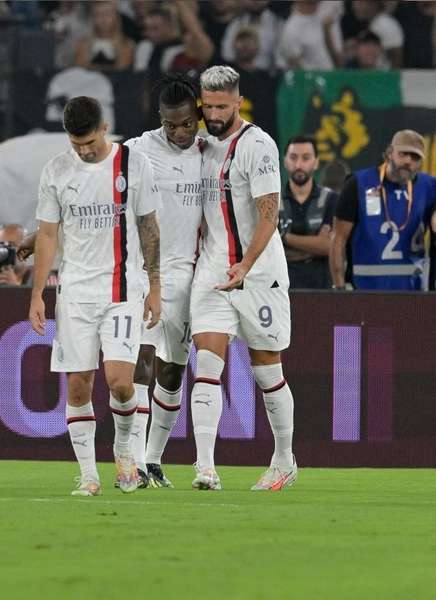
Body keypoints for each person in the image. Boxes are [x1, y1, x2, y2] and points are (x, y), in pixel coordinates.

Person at [29, 96, 162, 496]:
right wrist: (37, 292)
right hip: (75, 294)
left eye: (89, 142)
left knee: (121, 382)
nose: (84, 151)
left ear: (104, 128)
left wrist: (155, 286)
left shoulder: (134, 165)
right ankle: (88, 475)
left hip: (122, 290)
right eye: (76, 144)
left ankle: (124, 447)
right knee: (78, 388)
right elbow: (48, 235)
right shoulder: (56, 171)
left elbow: (149, 228)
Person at [192, 65, 296, 492]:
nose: (214, 113)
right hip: (214, 272)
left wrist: (246, 265)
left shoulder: (259, 146)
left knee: (267, 371)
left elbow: (269, 214)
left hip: (258, 275)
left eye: (222, 105)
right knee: (206, 364)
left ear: (238, 101)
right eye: (208, 105)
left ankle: (284, 460)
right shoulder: (199, 148)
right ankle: (205, 467)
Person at [124, 74, 204, 488]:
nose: (179, 131)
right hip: (144, 273)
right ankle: (134, 462)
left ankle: (153, 459)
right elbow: (99, 182)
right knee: (142, 361)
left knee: (173, 373)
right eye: (170, 124)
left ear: (199, 116)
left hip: (189, 278)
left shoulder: (210, 154)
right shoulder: (138, 149)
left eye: (186, 123)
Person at [330, 130, 436, 291]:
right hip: (364, 291)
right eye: (403, 153)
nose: (408, 161)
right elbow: (338, 239)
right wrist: (339, 288)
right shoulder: (358, 183)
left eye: (415, 157)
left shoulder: (429, 187)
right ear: (389, 153)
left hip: (413, 295)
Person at [279, 135, 337, 289]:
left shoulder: (330, 199)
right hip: (282, 288)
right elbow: (266, 250)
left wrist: (284, 237)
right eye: (293, 157)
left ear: (316, 162)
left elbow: (329, 246)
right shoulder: (272, 199)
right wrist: (313, 247)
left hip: (321, 288)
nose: (298, 164)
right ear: (285, 161)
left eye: (306, 158)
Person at [73, 0, 135, 70]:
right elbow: (79, 70)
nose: (103, 19)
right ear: (93, 18)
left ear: (116, 17)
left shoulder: (127, 45)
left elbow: (123, 71)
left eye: (107, 14)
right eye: (98, 14)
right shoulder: (82, 45)